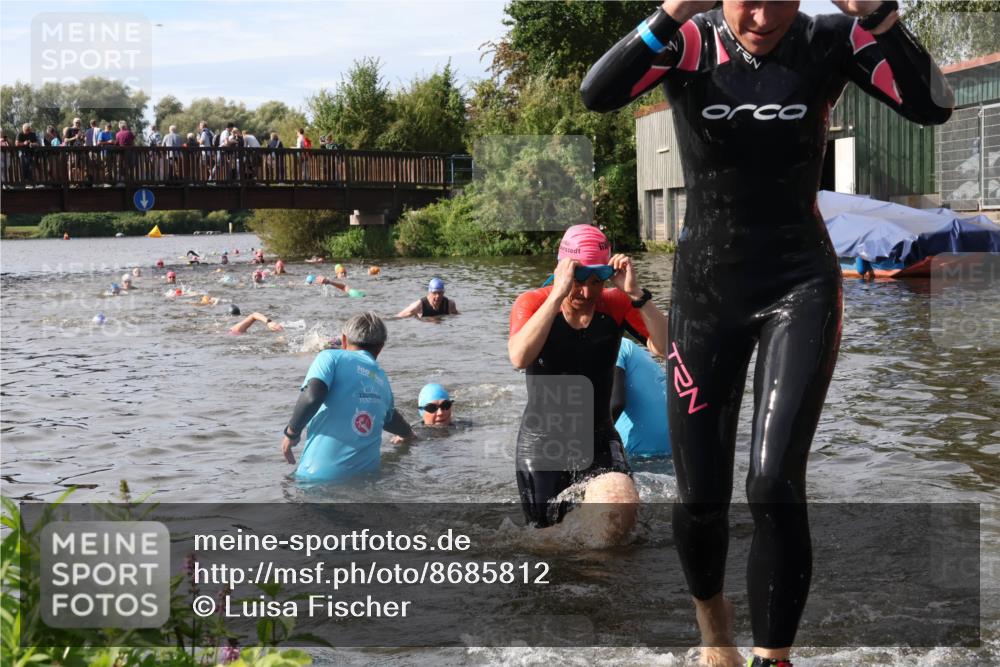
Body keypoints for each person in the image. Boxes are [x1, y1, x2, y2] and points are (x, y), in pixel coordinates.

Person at [581, 1, 953, 665]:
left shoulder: (829, 40)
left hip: (799, 284)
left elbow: (934, 106)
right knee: (701, 500)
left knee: (774, 480)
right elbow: (596, 93)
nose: (761, 14)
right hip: (707, 294)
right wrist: (669, 12)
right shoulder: (689, 43)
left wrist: (881, 15)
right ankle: (714, 633)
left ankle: (773, 656)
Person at [508, 224, 667, 540]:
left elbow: (666, 347)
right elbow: (519, 357)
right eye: (578, 280)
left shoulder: (615, 304)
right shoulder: (532, 302)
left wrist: (636, 294)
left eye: (597, 281)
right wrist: (556, 295)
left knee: (619, 508)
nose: (586, 292)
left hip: (598, 436)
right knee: (546, 540)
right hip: (543, 442)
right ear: (563, 271)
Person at [280, 312, 416, 482]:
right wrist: (409, 434)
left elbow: (312, 396)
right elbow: (390, 419)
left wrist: (291, 433)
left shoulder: (330, 357)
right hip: (366, 483)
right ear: (381, 347)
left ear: (344, 340)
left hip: (316, 480)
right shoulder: (382, 380)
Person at [611, 337, 670, 459]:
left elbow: (615, 403)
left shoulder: (611, 345)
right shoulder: (628, 346)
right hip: (671, 446)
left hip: (638, 452)